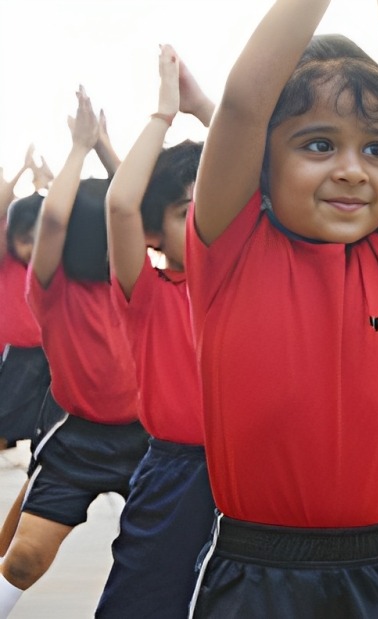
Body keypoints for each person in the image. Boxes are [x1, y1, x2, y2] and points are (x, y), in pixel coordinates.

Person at [185, 0, 378, 616]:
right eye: (319, 144)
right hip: (259, 573)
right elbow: (245, 104)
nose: (353, 171)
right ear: (262, 163)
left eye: (377, 149)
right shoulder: (230, 249)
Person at [0, 86, 149, 618]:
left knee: (159, 560)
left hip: (149, 441)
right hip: (77, 439)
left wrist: (105, 148)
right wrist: (79, 149)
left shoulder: (136, 281)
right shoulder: (51, 288)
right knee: (23, 560)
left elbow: (137, 201)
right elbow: (56, 221)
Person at [95, 45, 217, 618]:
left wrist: (209, 111)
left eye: (211, 208)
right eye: (185, 211)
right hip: (176, 474)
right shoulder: (147, 292)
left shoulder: (247, 286)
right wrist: (167, 113)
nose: (203, 222)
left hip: (251, 470)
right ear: (153, 235)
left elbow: (268, 175)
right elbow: (121, 203)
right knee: (143, 603)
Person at [0, 146, 50, 456]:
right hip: (15, 357)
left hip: (47, 356)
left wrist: (45, 185)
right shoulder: (6, 256)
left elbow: (57, 218)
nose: (32, 245)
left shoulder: (44, 260)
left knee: (43, 441)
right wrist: (21, 169)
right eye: (25, 239)